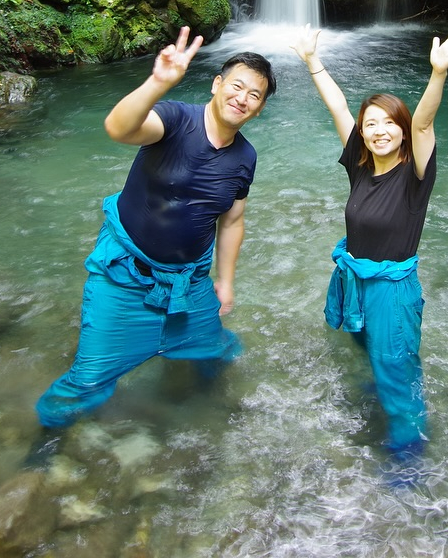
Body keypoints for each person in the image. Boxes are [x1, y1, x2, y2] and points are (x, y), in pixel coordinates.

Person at [34, 26, 276, 435]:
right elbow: (119, 128)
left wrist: (226, 281)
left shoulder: (245, 157)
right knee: (88, 380)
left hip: (191, 280)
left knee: (214, 352)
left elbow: (232, 220)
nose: (243, 99)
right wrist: (157, 83)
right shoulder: (176, 118)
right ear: (217, 85)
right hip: (126, 275)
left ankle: (211, 421)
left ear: (260, 108)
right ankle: (41, 449)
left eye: (255, 95)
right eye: (237, 86)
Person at [289, 26, 448, 460]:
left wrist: (438, 73)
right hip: (354, 278)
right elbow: (336, 106)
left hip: (391, 289)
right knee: (362, 345)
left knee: (396, 364)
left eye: (390, 123)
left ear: (403, 131)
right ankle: (379, 388)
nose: (379, 130)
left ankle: (409, 449)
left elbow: (425, 121)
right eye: (371, 124)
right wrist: (312, 61)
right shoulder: (359, 165)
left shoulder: (416, 175)